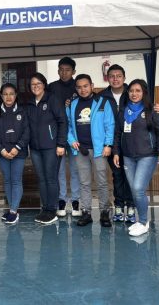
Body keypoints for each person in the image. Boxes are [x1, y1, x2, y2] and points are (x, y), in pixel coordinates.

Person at [99, 64, 159, 223]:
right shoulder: (101, 97)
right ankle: (120, 205)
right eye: (112, 76)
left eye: (119, 75)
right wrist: (114, 149)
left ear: (124, 77)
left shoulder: (137, 95)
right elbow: (116, 129)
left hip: (143, 152)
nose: (115, 79)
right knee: (118, 177)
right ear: (108, 78)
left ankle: (133, 209)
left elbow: (158, 124)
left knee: (135, 186)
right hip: (119, 148)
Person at [113, 79, 159, 237]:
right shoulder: (123, 111)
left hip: (147, 156)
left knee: (138, 189)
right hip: (128, 156)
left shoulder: (152, 110)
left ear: (143, 93)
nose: (134, 94)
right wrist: (116, 152)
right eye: (131, 91)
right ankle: (141, 220)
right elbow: (117, 133)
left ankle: (143, 222)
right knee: (135, 190)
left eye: (138, 91)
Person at [67, 74, 114, 227]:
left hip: (99, 150)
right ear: (76, 89)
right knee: (84, 182)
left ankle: (104, 212)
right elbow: (67, 126)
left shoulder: (102, 102)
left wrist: (108, 144)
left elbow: (110, 125)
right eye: (79, 87)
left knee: (101, 182)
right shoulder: (72, 104)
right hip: (81, 150)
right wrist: (72, 141)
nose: (83, 89)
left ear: (92, 86)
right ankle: (86, 212)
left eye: (85, 86)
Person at [26, 72, 67, 225]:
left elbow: (62, 121)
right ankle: (45, 208)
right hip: (35, 148)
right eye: (32, 84)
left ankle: (52, 209)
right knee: (42, 179)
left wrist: (61, 144)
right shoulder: (30, 103)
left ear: (44, 85)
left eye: (38, 83)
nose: (35, 86)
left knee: (51, 178)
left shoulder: (52, 100)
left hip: (51, 147)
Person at [0, 83, 30, 225]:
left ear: (16, 95)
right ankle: (13, 209)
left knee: (16, 180)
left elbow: (27, 132)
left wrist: (17, 147)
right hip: (3, 153)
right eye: (5, 94)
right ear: (1, 96)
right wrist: (1, 150)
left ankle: (13, 211)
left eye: (11, 93)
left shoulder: (22, 111)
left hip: (18, 152)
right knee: (7, 180)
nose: (8, 97)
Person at [48, 57, 81, 217]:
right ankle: (61, 200)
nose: (64, 72)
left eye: (67, 70)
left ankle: (75, 201)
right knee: (59, 169)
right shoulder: (51, 87)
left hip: (75, 136)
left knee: (75, 169)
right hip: (57, 136)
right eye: (61, 69)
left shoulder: (79, 87)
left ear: (73, 71)